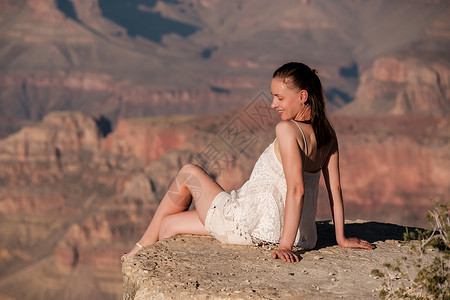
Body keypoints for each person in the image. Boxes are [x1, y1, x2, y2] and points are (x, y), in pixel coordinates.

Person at [121, 62, 374, 264]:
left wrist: (284, 246)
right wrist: (340, 238)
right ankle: (147, 256)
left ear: (303, 96)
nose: (273, 104)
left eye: (279, 98)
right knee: (169, 225)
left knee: (189, 172)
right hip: (304, 236)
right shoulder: (328, 133)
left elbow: (297, 190)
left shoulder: (287, 130)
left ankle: (137, 251)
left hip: (249, 222)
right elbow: (336, 190)